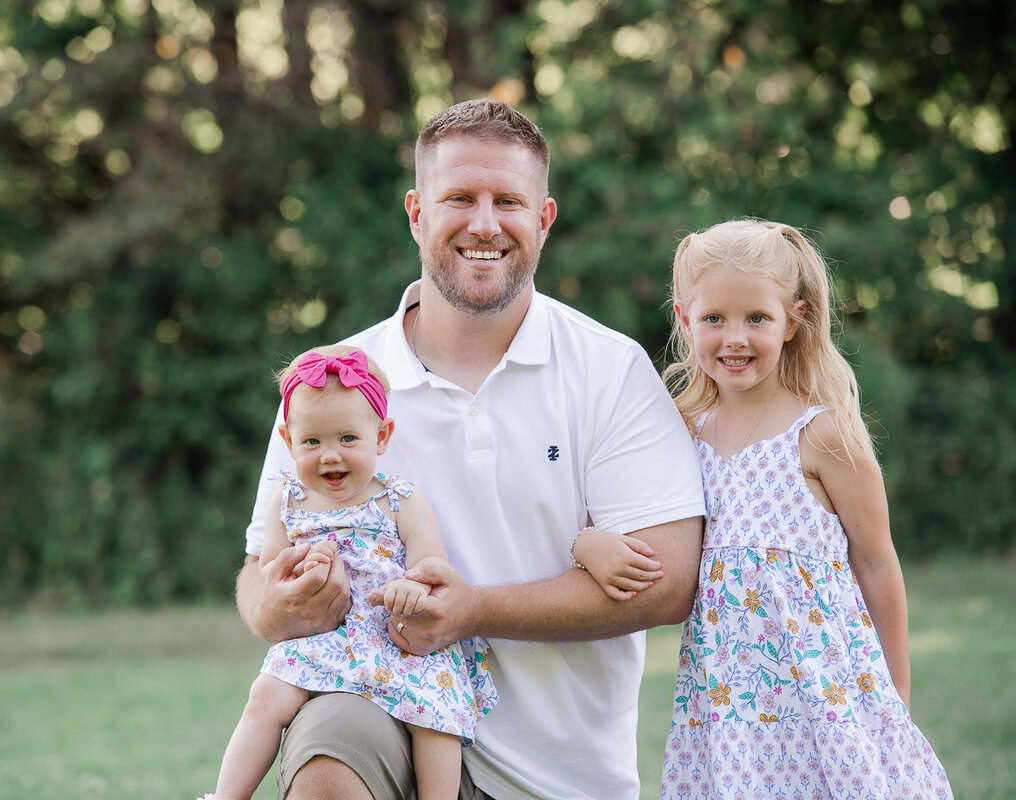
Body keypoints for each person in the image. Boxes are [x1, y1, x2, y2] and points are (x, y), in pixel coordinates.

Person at [237, 98, 707, 800]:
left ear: (543, 220)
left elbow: (670, 579)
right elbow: (256, 579)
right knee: (328, 755)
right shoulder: (337, 379)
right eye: (458, 197)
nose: (483, 224)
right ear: (416, 214)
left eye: (507, 201)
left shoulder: (609, 369)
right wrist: (277, 608)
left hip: (560, 771)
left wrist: (475, 609)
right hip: (378, 701)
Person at [633, 218, 950, 797]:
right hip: (728, 706)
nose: (735, 337)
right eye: (713, 319)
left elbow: (877, 563)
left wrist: (894, 701)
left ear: (792, 321)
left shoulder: (823, 435)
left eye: (757, 317)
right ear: (684, 318)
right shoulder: (678, 432)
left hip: (825, 699)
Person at [209, 346, 497, 800]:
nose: (330, 456)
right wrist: (296, 575)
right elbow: (269, 574)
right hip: (324, 639)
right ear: (288, 441)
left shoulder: (399, 500)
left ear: (381, 437)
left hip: (398, 639)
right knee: (265, 698)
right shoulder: (287, 503)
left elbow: (432, 567)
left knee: (435, 722)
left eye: (347, 439)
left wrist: (410, 586)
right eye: (312, 442)